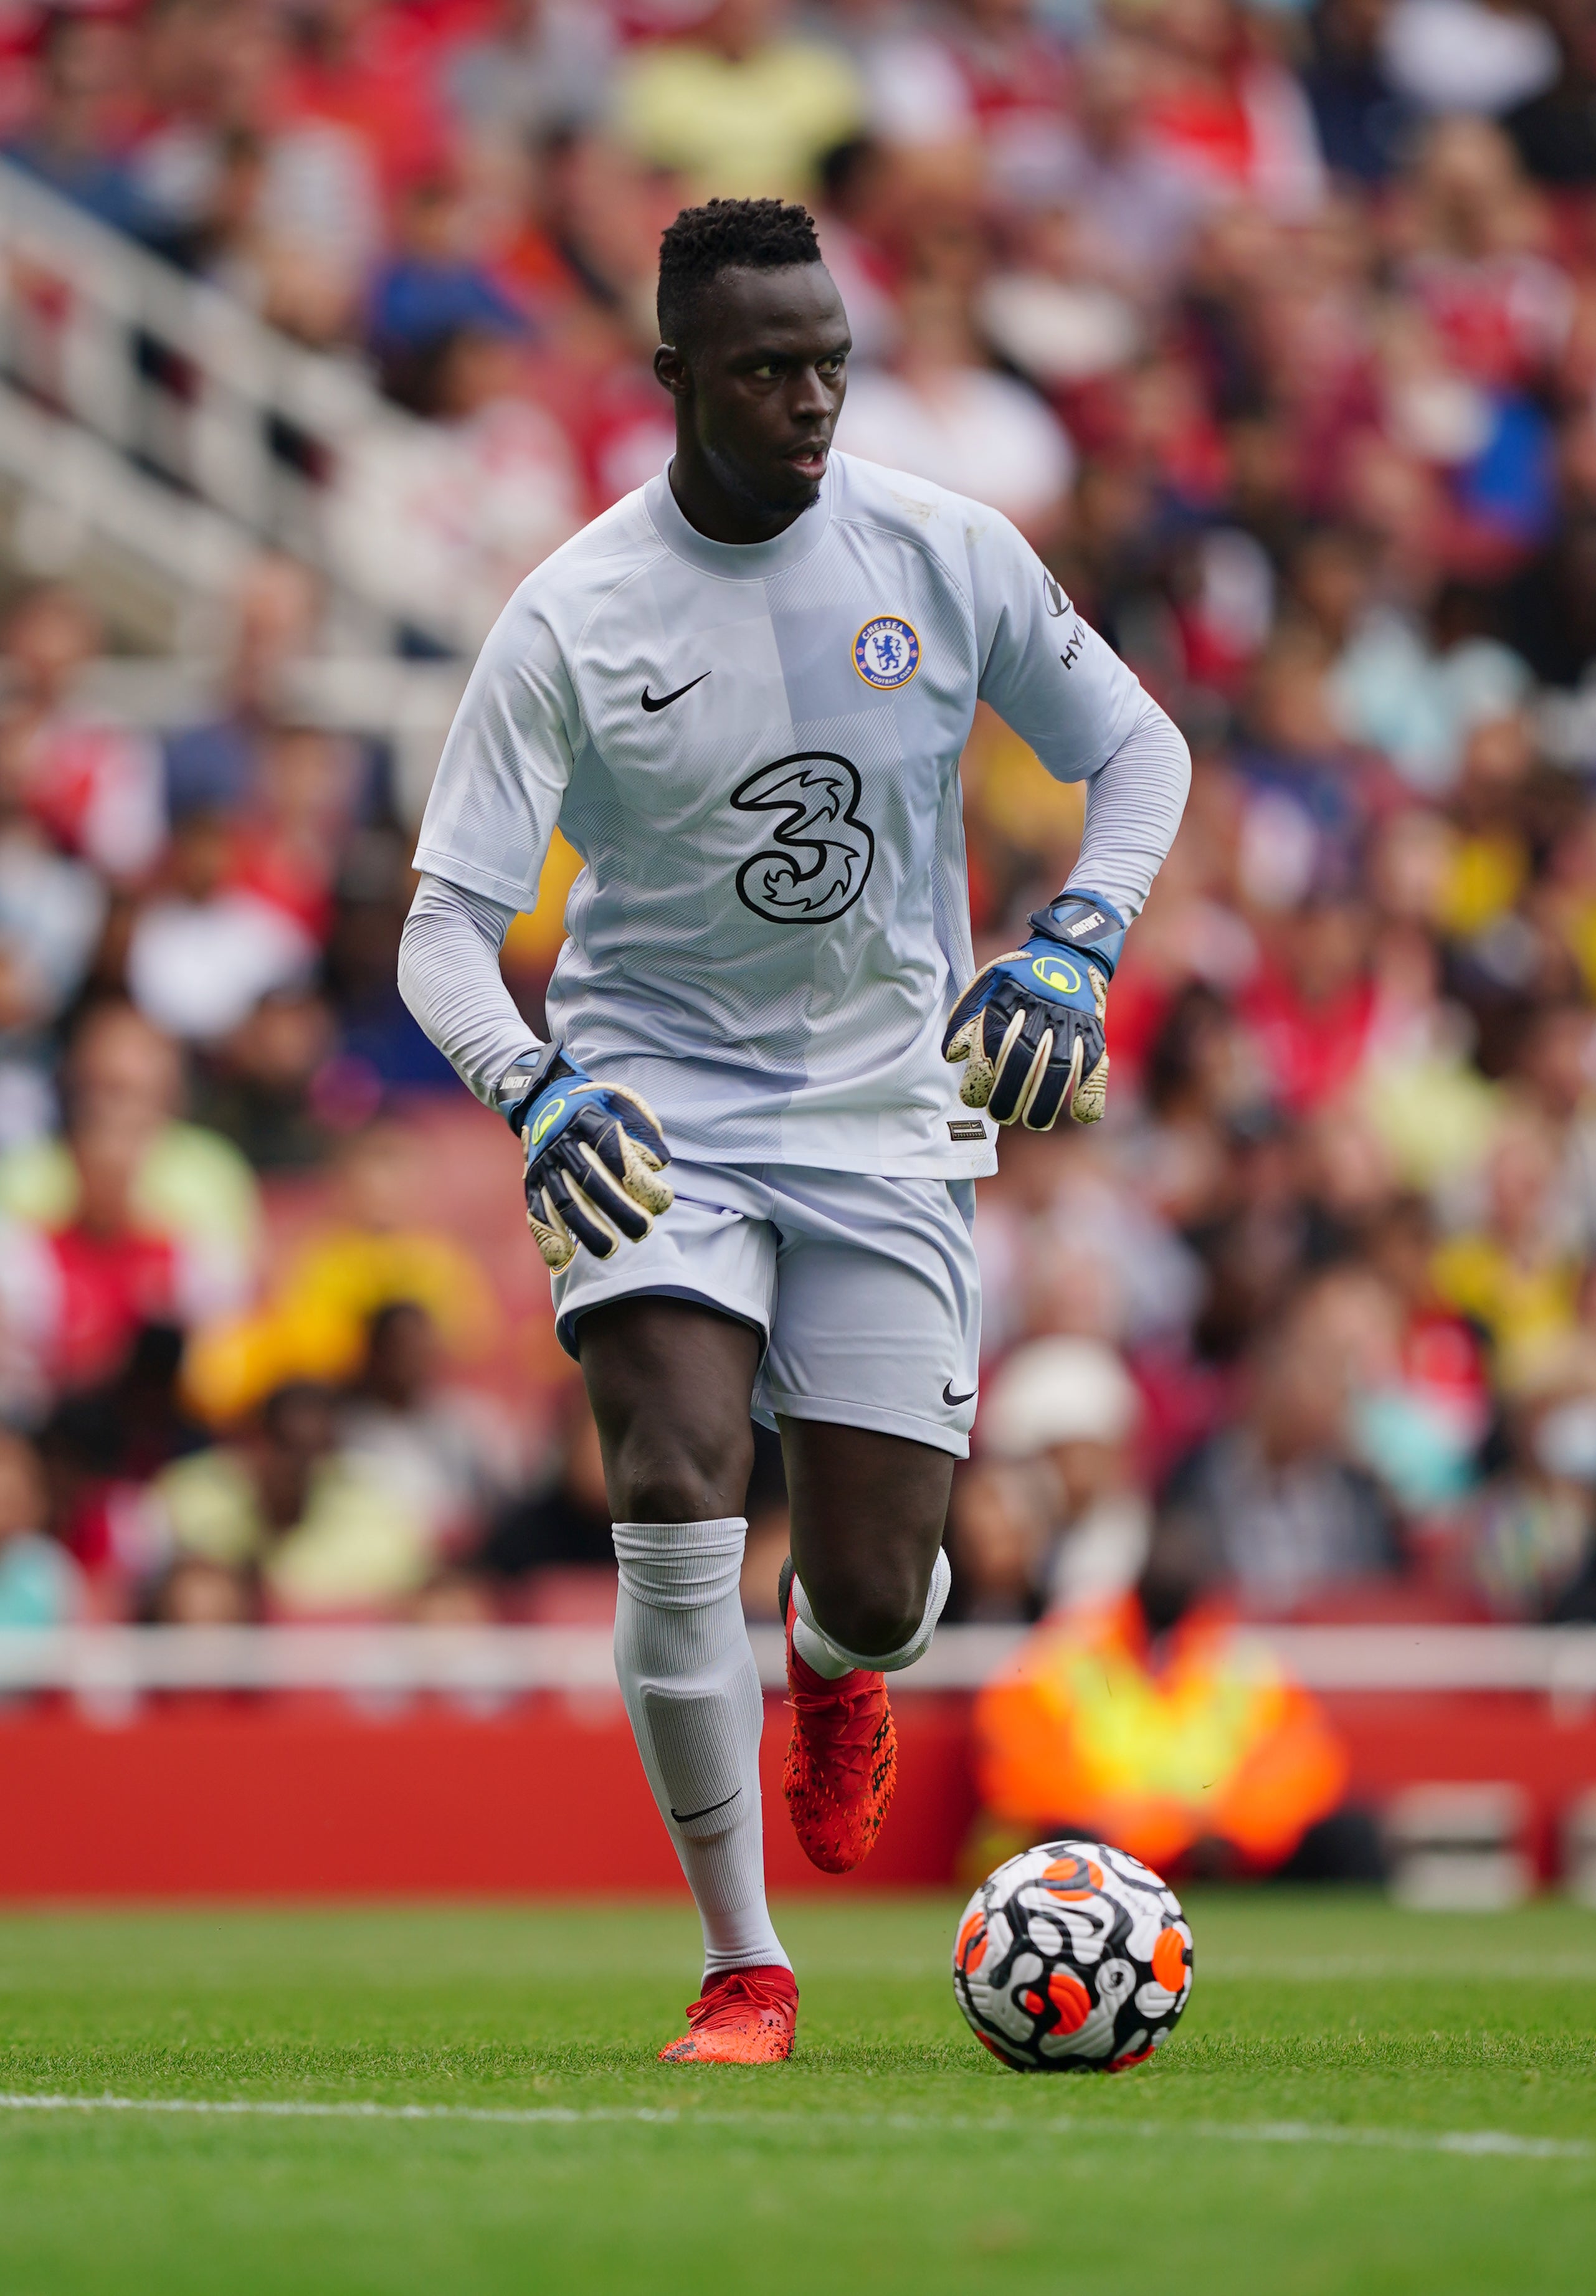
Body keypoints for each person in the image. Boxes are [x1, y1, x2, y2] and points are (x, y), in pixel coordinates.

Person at [398, 197, 1189, 2065]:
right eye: (766, 369)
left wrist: (1072, 948)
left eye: (828, 360)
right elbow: (442, 927)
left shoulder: (942, 550)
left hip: (885, 1120)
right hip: (651, 1103)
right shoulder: (572, 618)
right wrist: (536, 1084)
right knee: (673, 1479)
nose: (813, 399)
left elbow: (1136, 753)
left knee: (880, 1589)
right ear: (675, 378)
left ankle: (837, 1674)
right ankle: (742, 1965)